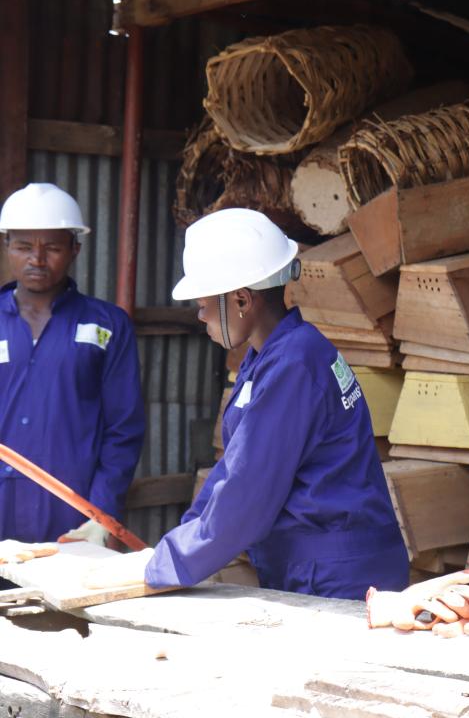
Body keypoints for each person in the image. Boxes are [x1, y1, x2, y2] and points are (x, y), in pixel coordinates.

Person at [86, 208, 408, 599]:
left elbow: (247, 496)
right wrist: (176, 543)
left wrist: (163, 566)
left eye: (203, 301)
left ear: (241, 299)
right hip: (317, 564)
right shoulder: (272, 356)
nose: (199, 314)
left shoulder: (293, 365)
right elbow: (233, 469)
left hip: (338, 576)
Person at [0, 182, 144, 546]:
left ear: (75, 249)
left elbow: (123, 431)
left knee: (61, 605)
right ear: (6, 246)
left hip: (71, 515)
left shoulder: (108, 325)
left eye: (52, 247)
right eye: (23, 246)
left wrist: (101, 515)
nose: (37, 259)